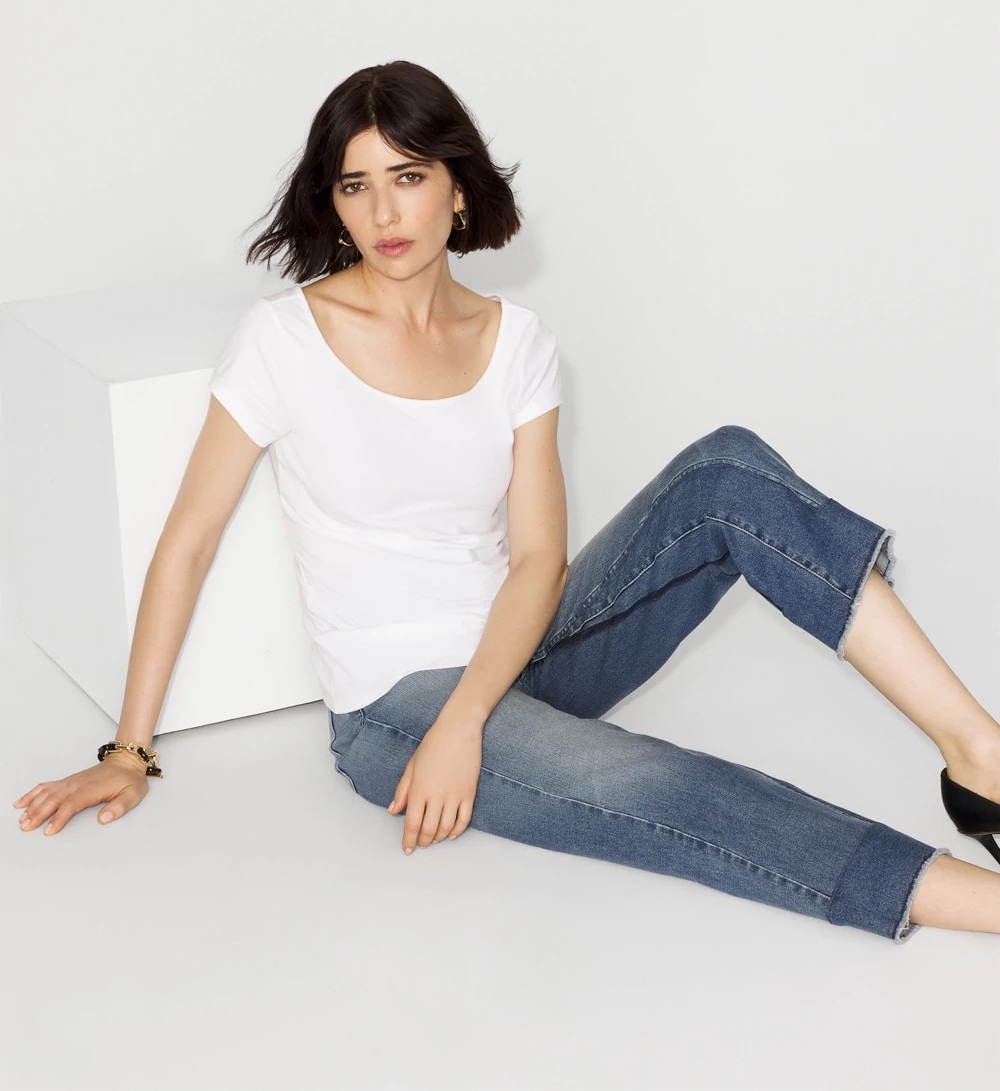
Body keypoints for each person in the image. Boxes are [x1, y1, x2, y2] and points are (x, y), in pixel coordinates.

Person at [13, 61, 1000, 943]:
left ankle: (980, 758)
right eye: (356, 184)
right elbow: (187, 543)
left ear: (456, 187)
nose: (384, 211)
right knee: (662, 783)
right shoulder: (283, 340)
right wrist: (129, 751)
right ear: (334, 202)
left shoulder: (516, 342)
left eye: (408, 176)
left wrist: (472, 715)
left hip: (519, 652)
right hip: (395, 708)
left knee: (727, 473)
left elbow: (536, 561)